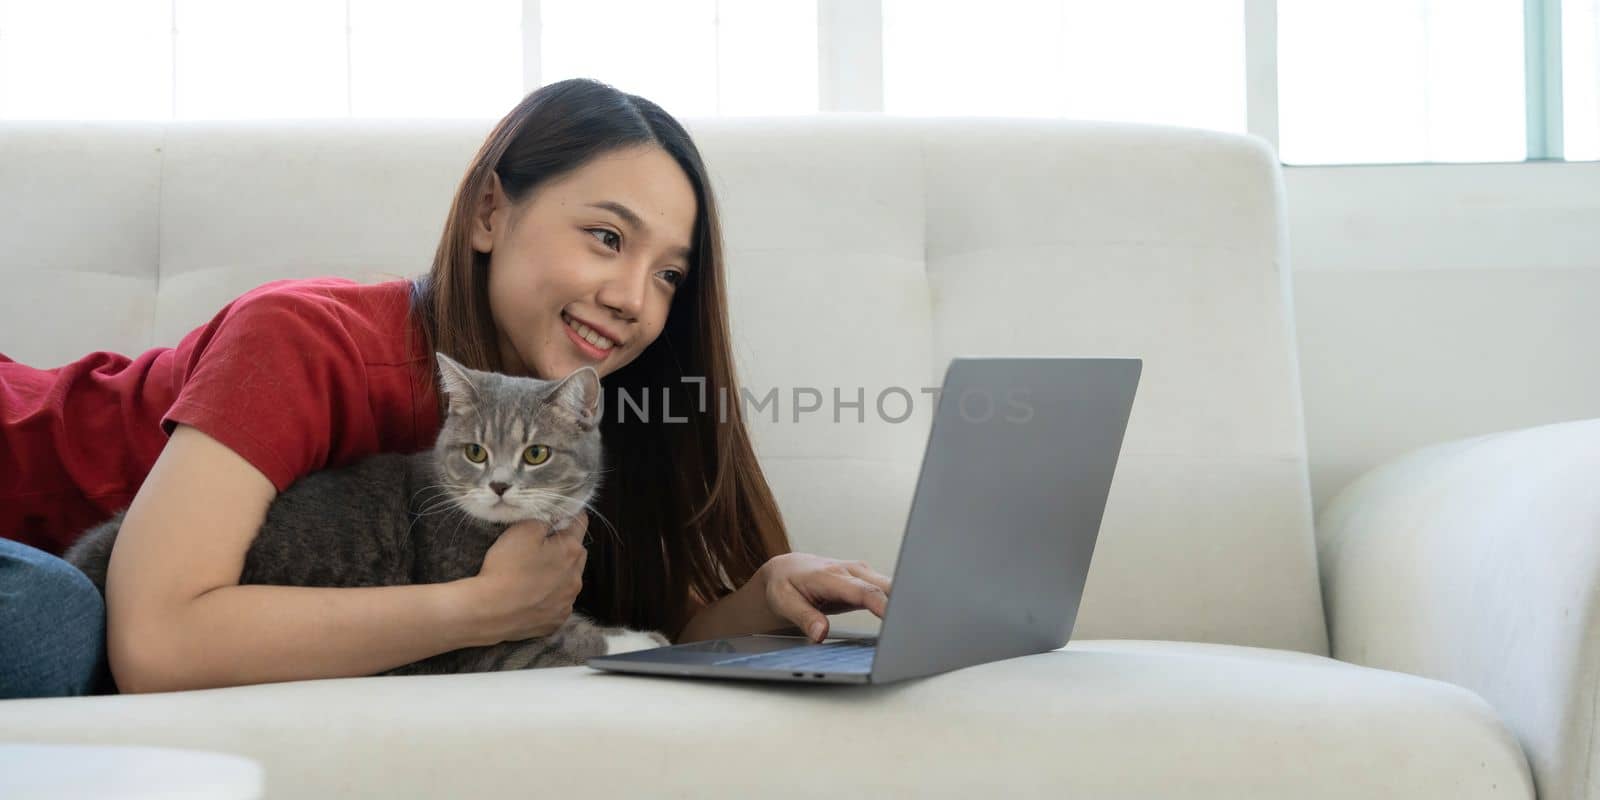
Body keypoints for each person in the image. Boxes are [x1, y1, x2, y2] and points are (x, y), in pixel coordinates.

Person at [0, 77, 892, 699]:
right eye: (608, 239)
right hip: (31, 522)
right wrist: (473, 612)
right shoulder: (307, 341)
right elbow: (154, 642)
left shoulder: (562, 420)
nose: (632, 299)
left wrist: (767, 592)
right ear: (490, 212)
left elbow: (638, 627)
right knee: (54, 624)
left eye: (669, 275)